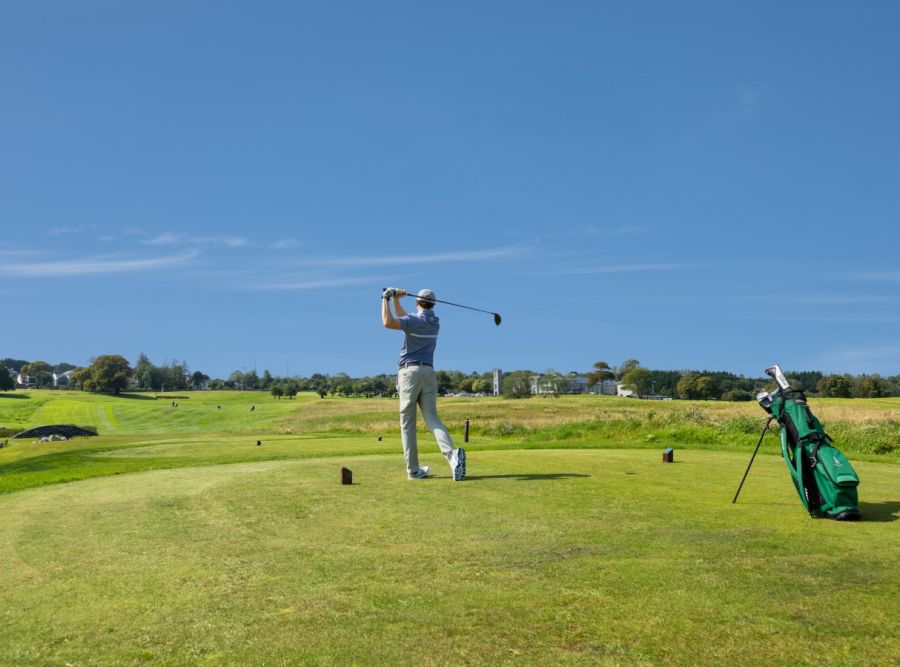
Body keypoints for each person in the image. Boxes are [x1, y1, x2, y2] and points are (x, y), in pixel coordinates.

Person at [382, 287, 466, 481]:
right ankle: (452, 456)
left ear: (417, 303)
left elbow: (388, 322)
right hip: (428, 373)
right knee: (432, 418)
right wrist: (396, 300)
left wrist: (385, 299)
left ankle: (413, 470)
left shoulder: (414, 321)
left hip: (409, 374)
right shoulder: (434, 322)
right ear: (433, 304)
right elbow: (406, 321)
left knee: (407, 423)